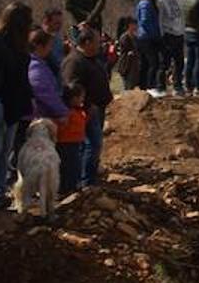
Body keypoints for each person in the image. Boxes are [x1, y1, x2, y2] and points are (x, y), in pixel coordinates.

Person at [62, 26, 112, 189]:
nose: (100, 45)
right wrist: (86, 105)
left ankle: (89, 178)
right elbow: (72, 87)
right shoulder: (74, 61)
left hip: (96, 109)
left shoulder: (91, 59)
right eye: (97, 42)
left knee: (94, 145)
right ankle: (85, 181)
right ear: (87, 42)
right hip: (87, 111)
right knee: (91, 144)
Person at [0, 3, 34, 209]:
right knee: (0, 149)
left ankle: (0, 190)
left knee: (4, 151)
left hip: (13, 103)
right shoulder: (2, 42)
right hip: (5, 101)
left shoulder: (17, 45)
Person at [56, 83, 88, 197]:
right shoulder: (66, 112)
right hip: (64, 143)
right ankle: (64, 189)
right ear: (74, 98)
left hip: (75, 142)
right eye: (81, 97)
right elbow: (59, 127)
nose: (82, 99)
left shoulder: (78, 110)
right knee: (65, 167)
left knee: (74, 166)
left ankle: (73, 187)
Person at [157, 0, 185, 95]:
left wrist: (183, 29)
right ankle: (161, 87)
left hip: (179, 33)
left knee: (179, 61)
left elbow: (182, 14)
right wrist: (161, 34)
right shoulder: (160, 0)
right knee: (165, 62)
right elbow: (159, 18)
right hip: (167, 33)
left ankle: (177, 86)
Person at [134, 0, 163, 96]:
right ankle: (150, 86)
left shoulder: (145, 4)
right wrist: (155, 35)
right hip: (147, 38)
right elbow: (145, 21)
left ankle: (143, 86)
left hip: (144, 37)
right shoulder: (146, 5)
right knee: (153, 63)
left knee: (145, 64)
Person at [115, 17, 140, 91]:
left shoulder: (135, 37)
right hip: (126, 64)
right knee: (128, 86)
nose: (136, 26)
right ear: (130, 25)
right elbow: (124, 50)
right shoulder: (125, 37)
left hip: (134, 65)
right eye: (134, 24)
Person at [40, 8, 65, 77]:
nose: (60, 26)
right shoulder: (39, 40)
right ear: (46, 22)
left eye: (61, 23)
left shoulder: (58, 37)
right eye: (56, 23)